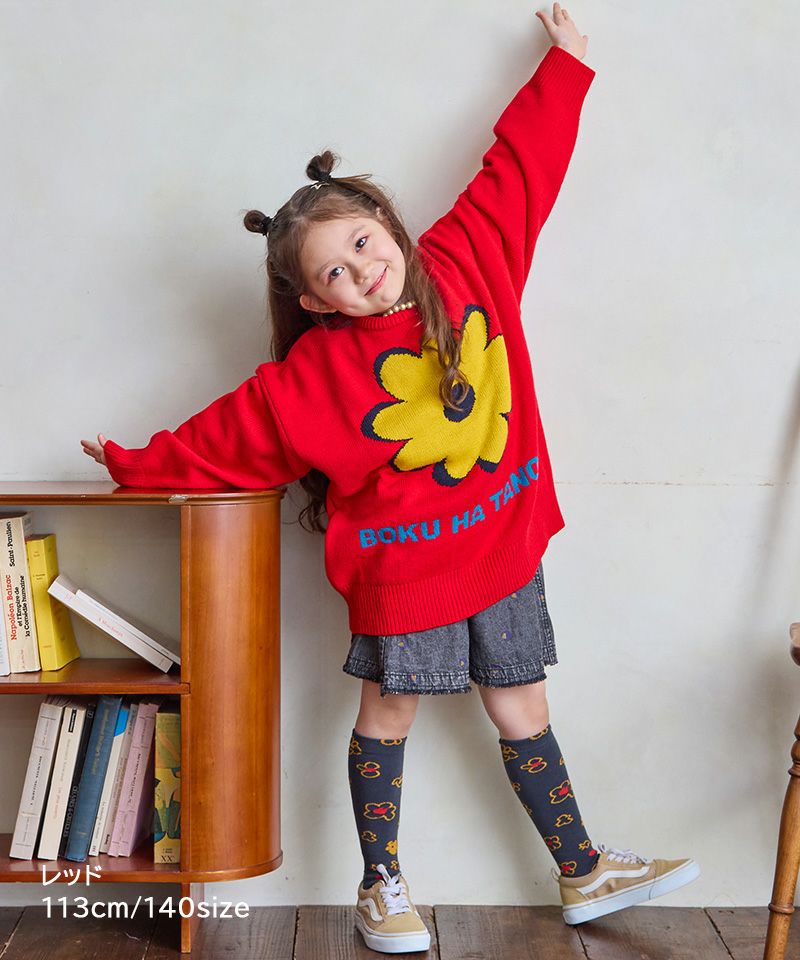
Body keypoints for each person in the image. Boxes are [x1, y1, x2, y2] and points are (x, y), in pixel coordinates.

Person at [81, 4, 699, 954]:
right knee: (390, 712)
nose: (361, 274)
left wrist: (566, 64)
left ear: (386, 224)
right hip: (402, 566)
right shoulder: (311, 377)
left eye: (362, 245)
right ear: (312, 299)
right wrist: (136, 461)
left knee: (523, 705)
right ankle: (382, 887)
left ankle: (580, 868)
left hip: (498, 543)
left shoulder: (469, 256)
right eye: (333, 273)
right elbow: (227, 436)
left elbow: (522, 166)